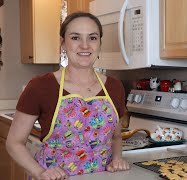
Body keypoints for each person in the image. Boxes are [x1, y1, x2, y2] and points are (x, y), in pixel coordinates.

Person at [6, 12, 130, 180]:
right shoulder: (41, 86)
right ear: (63, 43)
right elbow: (14, 142)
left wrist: (117, 159)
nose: (85, 46)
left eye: (92, 38)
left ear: (99, 43)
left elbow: (115, 137)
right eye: (75, 38)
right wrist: (40, 172)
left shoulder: (115, 87)